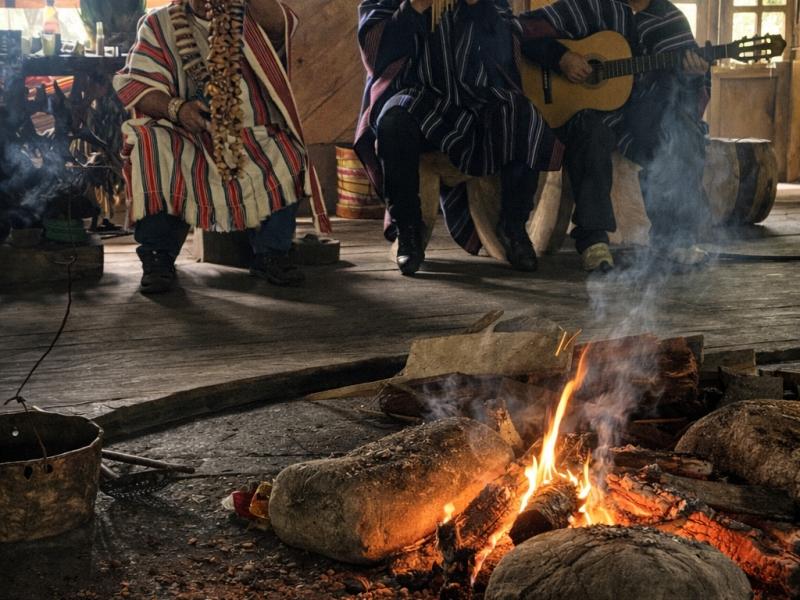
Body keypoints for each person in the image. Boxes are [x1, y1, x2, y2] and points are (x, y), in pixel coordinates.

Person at [114, 0, 330, 294]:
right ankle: (157, 257)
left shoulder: (250, 17)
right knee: (151, 145)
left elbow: (283, 25)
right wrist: (178, 109)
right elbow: (138, 86)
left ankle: (272, 255)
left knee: (285, 151)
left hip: (249, 132)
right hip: (183, 131)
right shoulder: (158, 23)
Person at [355, 0, 561, 276]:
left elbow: (505, 46)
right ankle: (408, 231)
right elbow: (374, 53)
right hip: (416, 93)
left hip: (474, 94)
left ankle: (513, 227)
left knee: (524, 116)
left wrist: (480, 8)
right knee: (393, 123)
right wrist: (415, 8)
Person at [520, 0, 712, 272]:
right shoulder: (590, 6)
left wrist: (693, 76)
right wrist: (562, 57)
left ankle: (672, 238)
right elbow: (526, 27)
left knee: (682, 131)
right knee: (590, 134)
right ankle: (593, 241)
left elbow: (686, 92)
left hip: (646, 112)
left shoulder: (669, 17)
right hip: (592, 112)